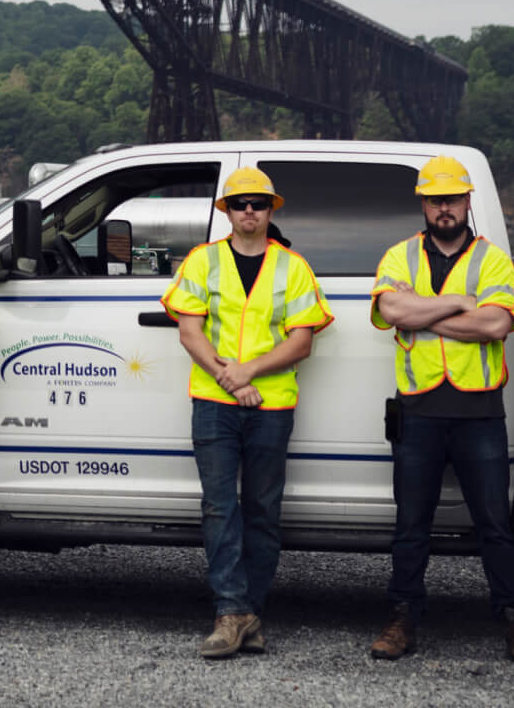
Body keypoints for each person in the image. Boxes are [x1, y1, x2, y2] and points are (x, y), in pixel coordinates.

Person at [366, 155, 514, 666]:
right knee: (411, 525)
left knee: (495, 525)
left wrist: (424, 313)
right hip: (419, 409)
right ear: (423, 204)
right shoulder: (399, 255)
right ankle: (402, 620)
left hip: (479, 411)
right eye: (435, 199)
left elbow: (495, 325)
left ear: (468, 201)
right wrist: (461, 303)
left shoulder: (492, 259)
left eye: (452, 198)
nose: (444, 208)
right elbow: (391, 311)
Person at [160, 168, 331, 659]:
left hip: (271, 405)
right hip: (215, 403)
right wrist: (228, 378)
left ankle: (249, 612)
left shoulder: (292, 266)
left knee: (262, 511)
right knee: (219, 508)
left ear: (271, 209)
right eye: (240, 204)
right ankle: (232, 611)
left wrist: (247, 372)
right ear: (227, 212)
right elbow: (189, 331)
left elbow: (302, 340)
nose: (249, 211)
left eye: (258, 203)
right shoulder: (203, 261)